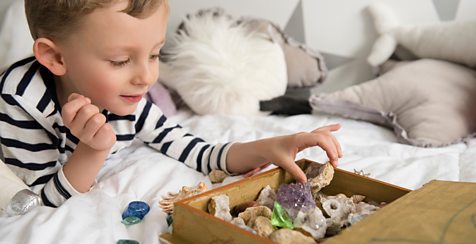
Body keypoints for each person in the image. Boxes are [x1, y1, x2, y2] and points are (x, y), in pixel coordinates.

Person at [0, 0, 342, 208]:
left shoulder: (129, 99)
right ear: (56, 57)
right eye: (120, 60)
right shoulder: (21, 102)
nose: (146, 76)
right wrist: (93, 151)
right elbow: (37, 202)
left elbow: (200, 153)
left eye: (154, 53)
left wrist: (272, 146)